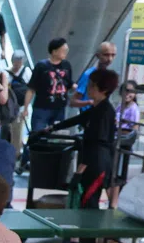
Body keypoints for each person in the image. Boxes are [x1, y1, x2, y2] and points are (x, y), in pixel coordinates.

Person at [41, 67, 121, 209]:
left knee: (88, 201)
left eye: (92, 85)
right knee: (85, 200)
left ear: (102, 90)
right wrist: (51, 128)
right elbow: (78, 119)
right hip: (95, 160)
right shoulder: (97, 108)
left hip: (97, 162)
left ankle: (89, 230)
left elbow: (97, 141)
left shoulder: (104, 112)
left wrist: (81, 167)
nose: (88, 88)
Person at [23, 37, 72, 136]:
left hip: (60, 108)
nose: (65, 53)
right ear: (54, 51)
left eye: (66, 50)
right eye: (63, 50)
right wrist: (25, 108)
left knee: (57, 136)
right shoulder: (41, 66)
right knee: (37, 135)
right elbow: (31, 88)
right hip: (42, 108)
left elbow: (69, 83)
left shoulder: (66, 65)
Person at [115, 78, 140, 199]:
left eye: (130, 91)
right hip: (117, 138)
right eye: (125, 90)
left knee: (121, 170)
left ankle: (119, 195)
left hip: (124, 141)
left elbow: (133, 128)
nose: (127, 94)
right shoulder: (120, 106)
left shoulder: (134, 108)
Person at [5, 49, 30, 164]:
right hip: (8, 108)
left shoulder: (27, 72)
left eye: (19, 61)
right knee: (6, 131)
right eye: (15, 61)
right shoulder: (5, 73)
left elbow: (31, 90)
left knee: (17, 132)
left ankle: (15, 155)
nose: (17, 64)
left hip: (20, 108)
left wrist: (26, 108)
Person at [73, 40, 116, 108]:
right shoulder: (89, 74)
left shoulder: (109, 75)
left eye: (113, 55)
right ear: (98, 55)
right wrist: (90, 102)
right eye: (106, 55)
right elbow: (74, 102)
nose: (110, 59)